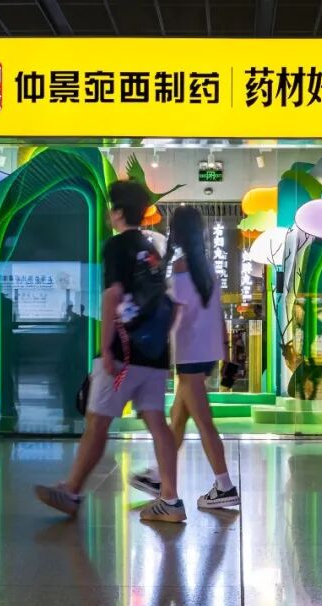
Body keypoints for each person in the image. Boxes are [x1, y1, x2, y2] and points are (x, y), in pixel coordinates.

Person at [36, 181, 185, 523]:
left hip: (123, 352)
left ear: (117, 212)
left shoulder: (117, 246)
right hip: (154, 354)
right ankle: (170, 500)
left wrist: (105, 347)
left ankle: (71, 491)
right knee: (157, 423)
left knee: (97, 423)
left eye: (110, 207)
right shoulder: (152, 249)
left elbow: (112, 295)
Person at [129, 206, 240, 509]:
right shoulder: (207, 270)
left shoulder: (180, 268)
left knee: (204, 422)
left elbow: (174, 313)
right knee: (178, 418)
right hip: (206, 353)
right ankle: (158, 475)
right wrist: (225, 350)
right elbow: (216, 314)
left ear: (176, 232)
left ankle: (225, 486)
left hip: (190, 354)